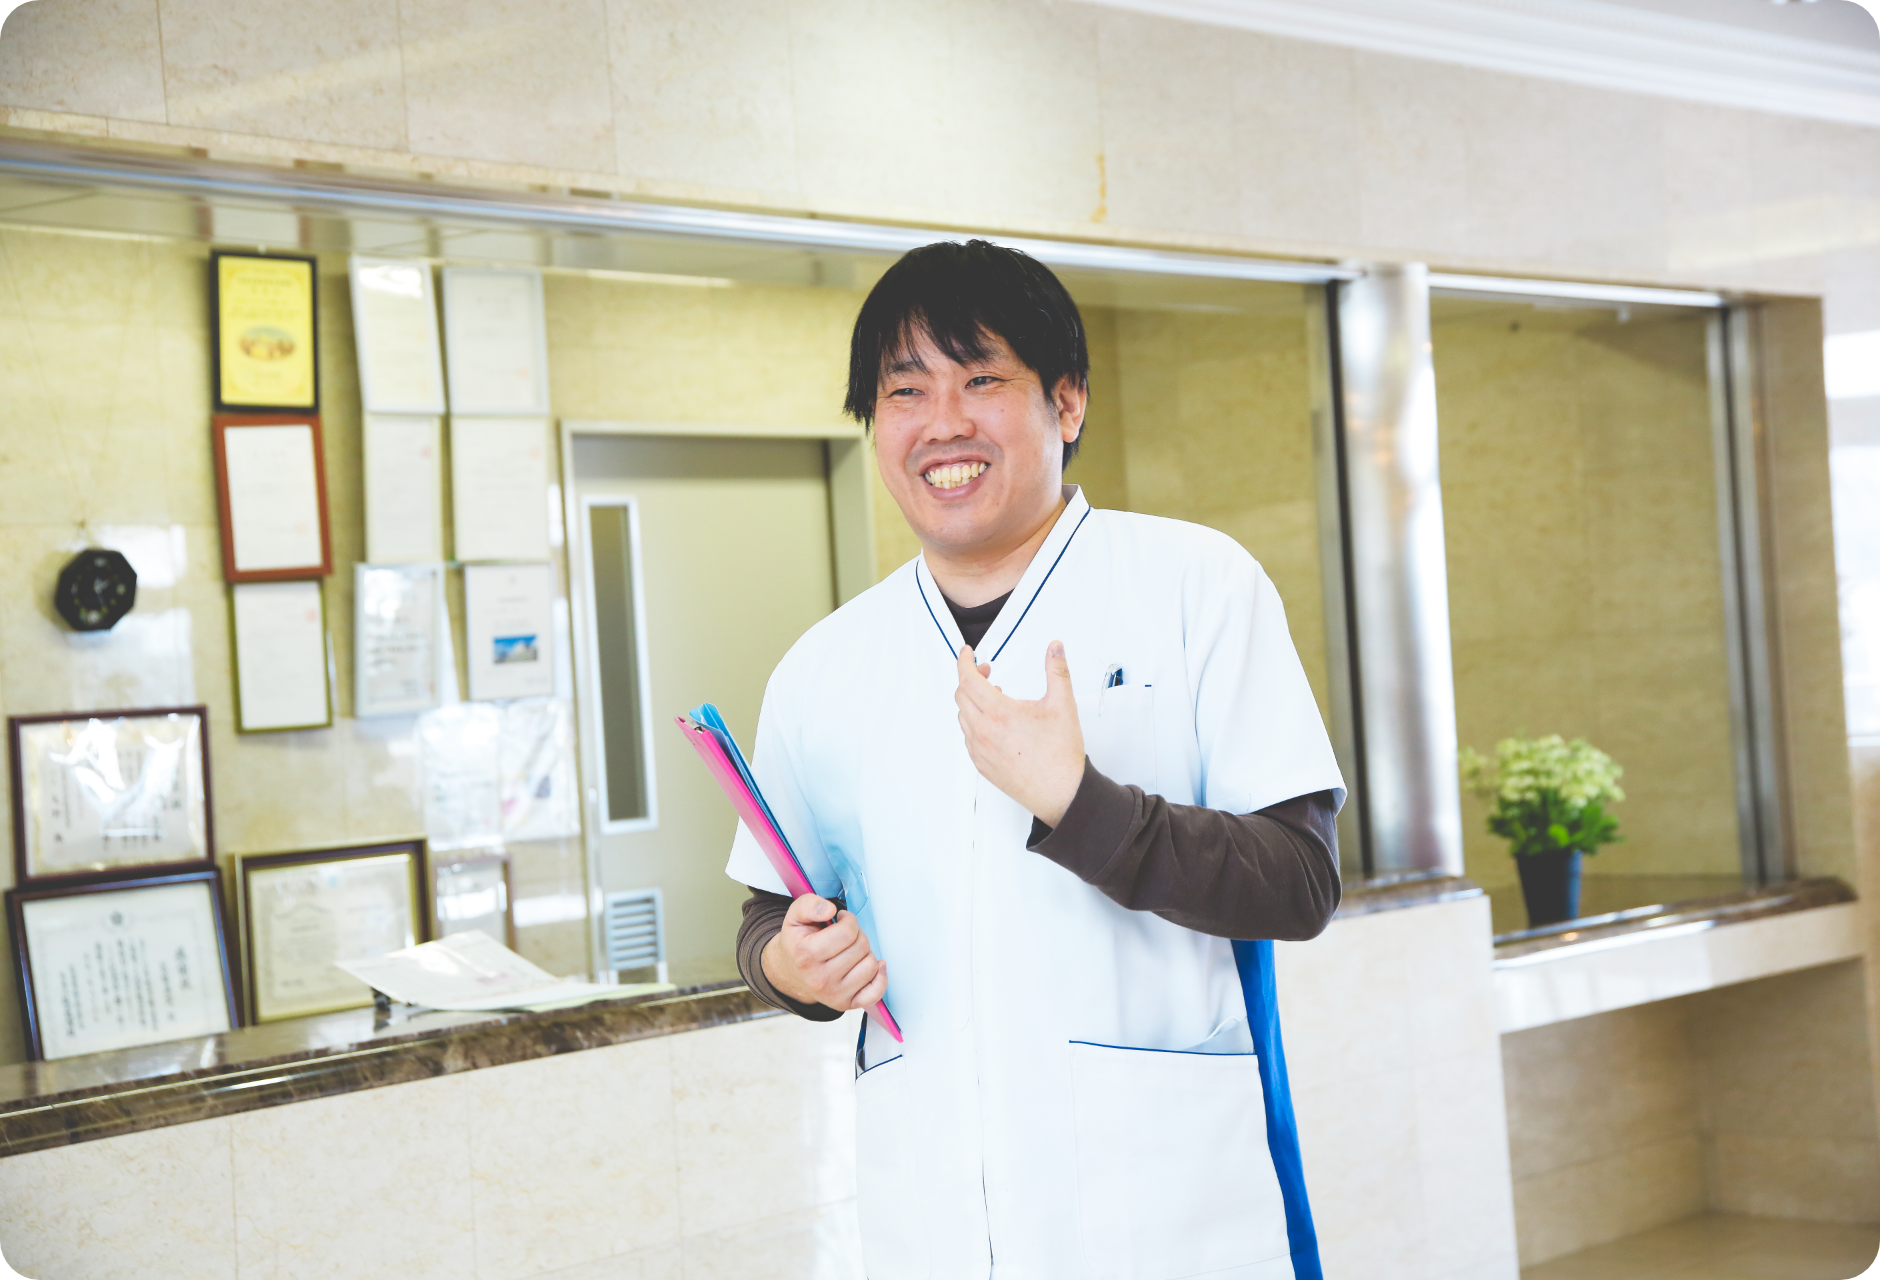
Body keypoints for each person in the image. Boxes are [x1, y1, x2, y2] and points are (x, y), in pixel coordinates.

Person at [726, 239, 1345, 1279]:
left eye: (981, 379)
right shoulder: (822, 667)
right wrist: (790, 967)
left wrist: (1079, 803)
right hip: (930, 1217)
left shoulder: (1195, 585)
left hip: (1169, 1211)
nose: (942, 422)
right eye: (905, 390)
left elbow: (1299, 880)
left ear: (1066, 401)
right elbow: (769, 914)